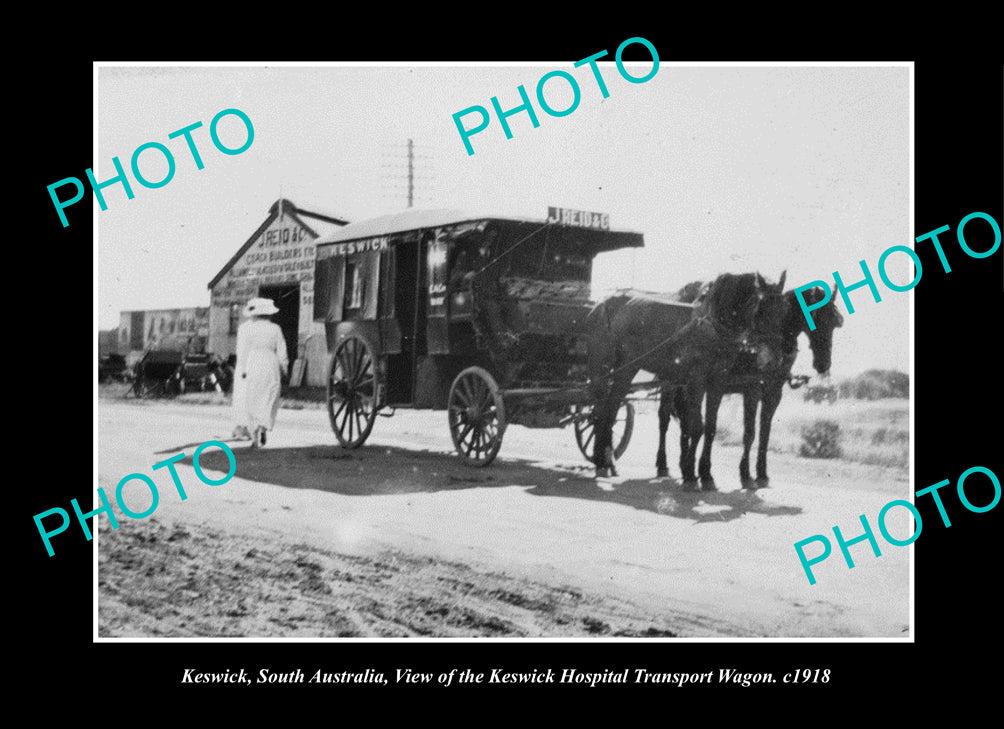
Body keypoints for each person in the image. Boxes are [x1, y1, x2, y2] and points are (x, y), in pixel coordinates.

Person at [231, 297, 288, 447]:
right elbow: (282, 350)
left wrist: (242, 368)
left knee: (252, 398)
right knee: (269, 396)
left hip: (253, 362)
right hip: (271, 362)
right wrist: (284, 367)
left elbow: (242, 351)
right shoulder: (275, 328)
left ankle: (255, 435)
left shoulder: (247, 328)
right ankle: (264, 426)